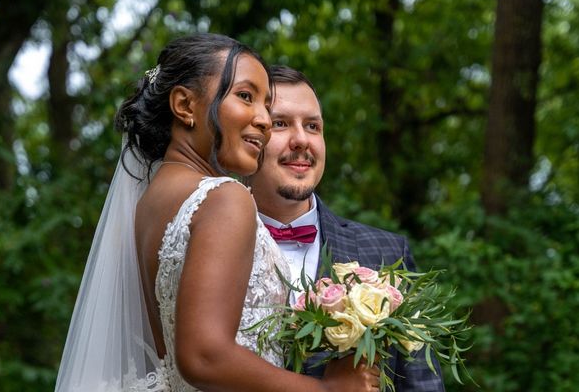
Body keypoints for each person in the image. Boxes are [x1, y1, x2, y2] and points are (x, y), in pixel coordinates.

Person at [54, 34, 380, 392]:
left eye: (265, 105)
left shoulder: (150, 203)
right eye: (245, 96)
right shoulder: (225, 199)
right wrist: (327, 389)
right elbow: (204, 357)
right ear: (184, 105)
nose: (264, 120)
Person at [249, 65, 446, 391]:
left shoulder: (387, 252)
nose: (301, 140)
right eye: (280, 123)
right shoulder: (211, 246)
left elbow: (422, 383)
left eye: (313, 126)